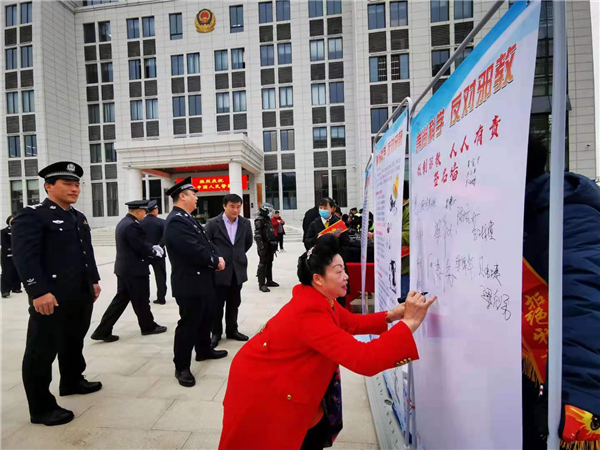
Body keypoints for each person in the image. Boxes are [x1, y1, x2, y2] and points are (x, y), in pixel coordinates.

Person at [219, 234, 436, 450]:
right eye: (339, 271)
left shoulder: (320, 299)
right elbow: (365, 359)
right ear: (318, 279)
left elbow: (351, 323)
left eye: (344, 270)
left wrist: (391, 315)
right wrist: (409, 323)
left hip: (278, 376)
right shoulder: (310, 313)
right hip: (263, 386)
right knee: (280, 435)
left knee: (312, 423)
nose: (346, 276)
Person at [521, 136, 600, 449]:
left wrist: (576, 391)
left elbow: (583, 299)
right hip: (520, 358)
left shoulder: (568, 213)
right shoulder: (510, 211)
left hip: (562, 367)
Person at [12, 161, 102, 426]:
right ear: (48, 186)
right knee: (41, 350)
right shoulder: (33, 215)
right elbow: (25, 258)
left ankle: (72, 380)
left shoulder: (77, 216)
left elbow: (86, 252)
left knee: (74, 340)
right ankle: (41, 407)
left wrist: (93, 280)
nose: (75, 189)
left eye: (77, 184)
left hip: (79, 293)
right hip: (52, 296)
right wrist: (38, 291)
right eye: (68, 184)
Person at [164, 177, 227, 388]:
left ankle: (204, 350)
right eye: (193, 194)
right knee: (188, 325)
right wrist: (214, 261)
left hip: (203, 280)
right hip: (189, 283)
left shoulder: (187, 218)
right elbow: (191, 249)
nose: (197, 198)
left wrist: (217, 256)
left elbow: (206, 243)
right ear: (182, 196)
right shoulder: (176, 220)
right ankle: (181, 366)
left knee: (205, 318)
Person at [91, 200, 167, 342]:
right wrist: (154, 252)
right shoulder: (132, 225)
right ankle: (148, 326)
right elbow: (139, 246)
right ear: (138, 211)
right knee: (141, 300)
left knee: (120, 301)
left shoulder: (124, 222)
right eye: (144, 212)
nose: (145, 215)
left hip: (125, 269)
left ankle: (102, 330)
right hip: (135, 271)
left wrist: (151, 247)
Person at [205, 194, 253, 348]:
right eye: (232, 206)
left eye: (238, 207)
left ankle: (232, 330)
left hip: (237, 269)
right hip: (219, 270)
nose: (236, 210)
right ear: (224, 206)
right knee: (217, 304)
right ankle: (216, 333)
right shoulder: (213, 223)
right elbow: (207, 244)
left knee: (234, 302)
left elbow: (248, 242)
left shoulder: (245, 223)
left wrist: (236, 256)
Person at [141, 200, 167, 305]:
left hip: (145, 253)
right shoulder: (162, 222)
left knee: (144, 276)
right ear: (155, 210)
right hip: (159, 254)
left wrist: (149, 247)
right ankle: (161, 298)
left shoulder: (140, 223)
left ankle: (144, 298)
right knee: (160, 276)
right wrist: (159, 246)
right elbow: (165, 236)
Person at [254, 203, 279, 293]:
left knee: (269, 263)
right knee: (263, 264)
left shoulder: (267, 219)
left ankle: (269, 280)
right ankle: (261, 284)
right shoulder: (259, 220)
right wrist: (261, 248)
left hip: (270, 245)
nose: (270, 213)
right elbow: (257, 236)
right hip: (264, 246)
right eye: (269, 211)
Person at [1, 215, 22, 297]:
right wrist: (11, 250)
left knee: (16, 270)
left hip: (17, 253)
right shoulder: (4, 231)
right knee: (6, 272)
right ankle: (5, 290)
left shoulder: (19, 231)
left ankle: (16, 287)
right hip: (7, 254)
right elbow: (3, 243)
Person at [401, 180, 410, 300]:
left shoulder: (408, 210)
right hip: (398, 265)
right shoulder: (399, 209)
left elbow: (408, 235)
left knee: (404, 301)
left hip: (405, 266)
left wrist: (389, 235)